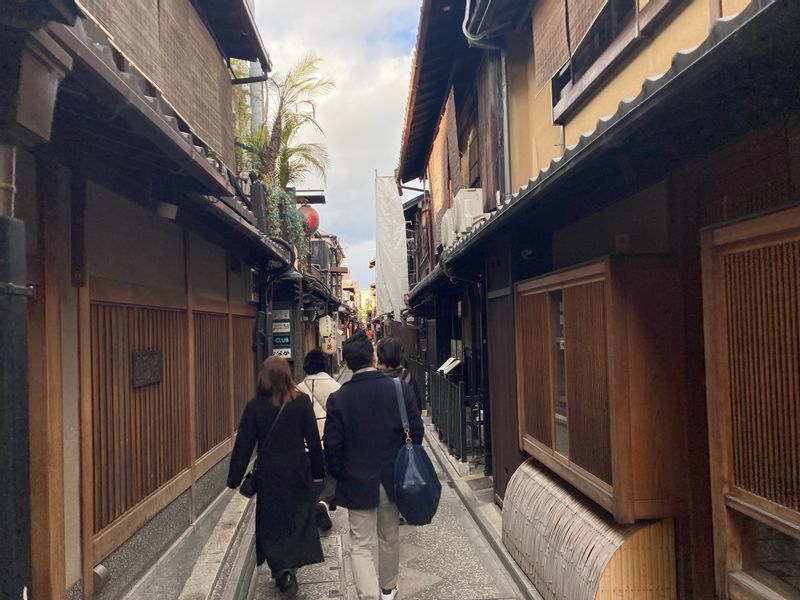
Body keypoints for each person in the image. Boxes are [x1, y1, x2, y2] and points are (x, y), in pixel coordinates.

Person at [323, 332, 424, 600]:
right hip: (392, 476)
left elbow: (331, 445)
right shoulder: (398, 389)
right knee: (389, 536)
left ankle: (369, 596)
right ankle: (388, 590)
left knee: (361, 544)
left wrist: (340, 473)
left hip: (356, 479)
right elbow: (416, 430)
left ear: (348, 362)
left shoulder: (339, 398)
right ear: (373, 357)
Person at [227, 356, 324, 595]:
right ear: (288, 375)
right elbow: (313, 439)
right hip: (298, 469)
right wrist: (318, 473)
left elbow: (244, 445)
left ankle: (281, 569)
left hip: (269, 473)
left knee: (272, 520)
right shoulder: (301, 402)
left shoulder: (255, 406)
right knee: (297, 515)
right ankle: (291, 565)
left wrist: (234, 478)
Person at [296, 349, 341, 530]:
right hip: (328, 440)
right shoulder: (336, 387)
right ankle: (324, 502)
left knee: (310, 478)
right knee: (332, 476)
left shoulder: (298, 388)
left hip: (305, 443)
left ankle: (312, 508)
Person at [375, 337, 421, 412]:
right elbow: (417, 408)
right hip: (403, 422)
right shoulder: (407, 376)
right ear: (400, 354)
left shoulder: (372, 377)